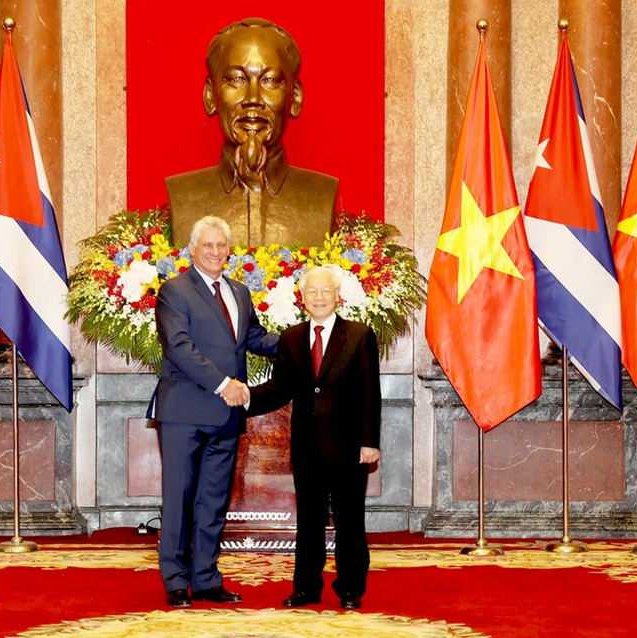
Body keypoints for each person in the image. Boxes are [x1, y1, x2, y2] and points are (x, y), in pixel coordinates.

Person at [152, 215, 279, 608]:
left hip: (225, 417)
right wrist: (225, 385)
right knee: (179, 498)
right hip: (184, 412)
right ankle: (176, 580)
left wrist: (304, 339)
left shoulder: (240, 292)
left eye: (221, 245)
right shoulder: (174, 291)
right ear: (192, 249)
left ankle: (206, 578)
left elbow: (254, 337)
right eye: (207, 245)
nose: (215, 251)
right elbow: (179, 347)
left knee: (213, 501)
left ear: (229, 251)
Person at [248, 265, 381, 609]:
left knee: (350, 520)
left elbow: (370, 392)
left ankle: (350, 589)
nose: (319, 297)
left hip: (350, 447)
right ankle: (306, 588)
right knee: (309, 521)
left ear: (337, 297)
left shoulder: (359, 335)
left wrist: (370, 442)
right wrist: (245, 398)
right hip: (307, 447)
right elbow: (280, 389)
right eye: (312, 292)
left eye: (325, 291)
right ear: (302, 299)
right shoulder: (291, 338)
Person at [166, 17, 337, 247]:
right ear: (210, 96)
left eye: (270, 80)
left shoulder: (322, 195)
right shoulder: (183, 196)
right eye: (236, 79)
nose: (253, 99)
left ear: (295, 98)